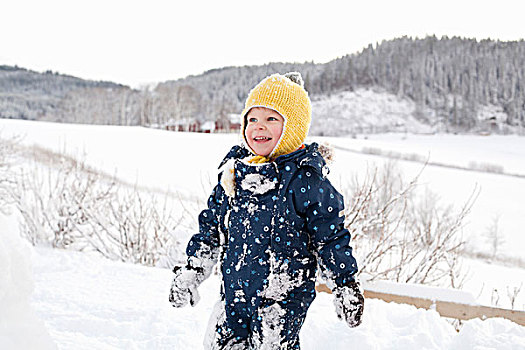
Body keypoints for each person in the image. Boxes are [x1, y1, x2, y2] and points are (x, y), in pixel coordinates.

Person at [169, 72, 364, 350]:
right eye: (252, 119)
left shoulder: (306, 179)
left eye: (271, 119)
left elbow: (330, 239)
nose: (259, 127)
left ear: (293, 126)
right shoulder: (233, 173)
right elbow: (210, 229)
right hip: (233, 295)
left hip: (282, 302)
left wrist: (344, 284)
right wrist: (192, 270)